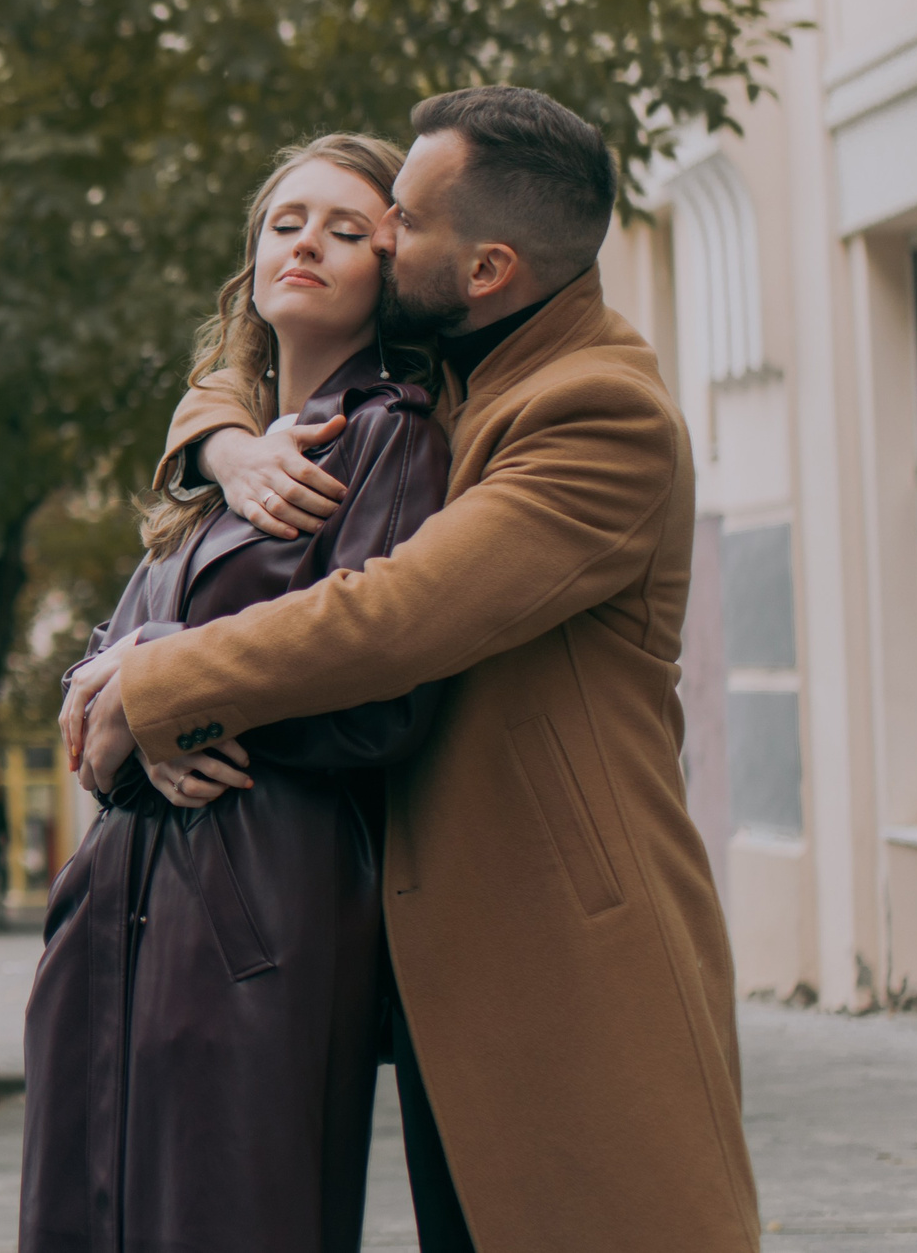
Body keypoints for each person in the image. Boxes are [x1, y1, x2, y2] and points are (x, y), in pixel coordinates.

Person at [61, 86, 757, 1253]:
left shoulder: (597, 413)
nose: (378, 237)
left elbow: (395, 616)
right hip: (435, 945)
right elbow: (257, 351)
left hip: (558, 936)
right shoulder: (471, 356)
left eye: (401, 221)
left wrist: (159, 686)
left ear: (485, 269)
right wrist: (223, 445)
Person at [19, 133, 449, 1253]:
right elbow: (99, 681)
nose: (306, 243)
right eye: (284, 222)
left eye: (346, 230)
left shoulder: (391, 436)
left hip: (259, 896)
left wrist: (163, 690)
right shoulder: (226, 454)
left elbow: (382, 694)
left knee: (232, 1217)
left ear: (389, 272)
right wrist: (135, 714)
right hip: (117, 897)